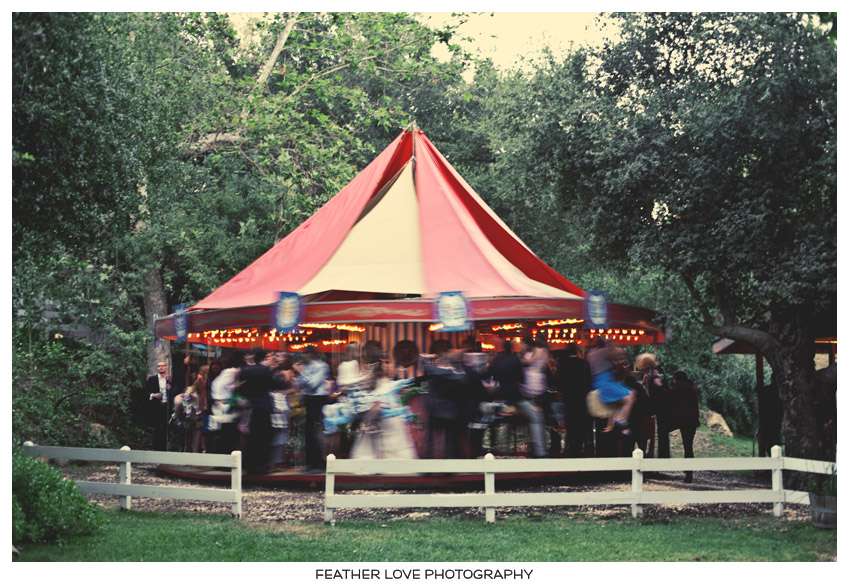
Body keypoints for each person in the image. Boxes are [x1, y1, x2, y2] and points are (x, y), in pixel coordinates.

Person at [239, 349, 287, 474]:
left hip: (252, 406)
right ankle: (261, 466)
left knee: (253, 437)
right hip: (264, 406)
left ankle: (249, 465)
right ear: (265, 358)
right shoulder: (266, 371)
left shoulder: (246, 370)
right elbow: (278, 384)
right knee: (264, 437)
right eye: (270, 356)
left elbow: (241, 387)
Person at [423, 340, 466, 459]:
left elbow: (432, 370)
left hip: (440, 409)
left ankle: (430, 463)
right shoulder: (454, 370)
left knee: (437, 441)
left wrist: (427, 360)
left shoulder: (437, 369)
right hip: (446, 409)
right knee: (447, 441)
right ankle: (446, 463)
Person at [587, 339, 635, 435]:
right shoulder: (603, 352)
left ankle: (617, 423)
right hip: (606, 382)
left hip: (602, 381)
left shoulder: (591, 353)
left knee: (619, 403)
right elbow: (618, 353)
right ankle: (620, 420)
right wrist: (613, 344)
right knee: (630, 396)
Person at [294, 346, 330, 472]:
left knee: (315, 431)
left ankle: (319, 463)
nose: (303, 356)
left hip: (317, 400)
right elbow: (297, 384)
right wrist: (302, 376)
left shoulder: (322, 366)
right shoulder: (307, 367)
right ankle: (310, 463)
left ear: (311, 354)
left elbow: (313, 384)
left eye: (305, 354)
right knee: (308, 433)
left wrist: (301, 372)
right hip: (308, 399)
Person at [555, 344, 593, 457]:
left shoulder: (562, 364)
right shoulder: (584, 363)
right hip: (581, 397)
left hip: (568, 398)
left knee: (570, 423)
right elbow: (589, 381)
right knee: (580, 423)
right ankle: (579, 446)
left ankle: (570, 447)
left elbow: (558, 382)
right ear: (576, 351)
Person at [668, 370, 701, 482]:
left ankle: (689, 473)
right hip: (692, 421)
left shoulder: (679, 389)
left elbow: (671, 398)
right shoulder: (691, 388)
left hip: (685, 421)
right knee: (688, 446)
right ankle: (688, 470)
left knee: (687, 447)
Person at [519, 336, 548, 457]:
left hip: (532, 390)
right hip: (537, 389)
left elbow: (528, 362)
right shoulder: (544, 352)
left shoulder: (537, 352)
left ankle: (539, 451)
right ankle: (538, 449)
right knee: (537, 421)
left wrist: (520, 359)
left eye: (522, 344)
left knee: (535, 421)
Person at [173, 366, 208, 452]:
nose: (202, 379)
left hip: (200, 419)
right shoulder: (191, 391)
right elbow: (183, 404)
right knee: (189, 441)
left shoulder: (206, 389)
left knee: (196, 443)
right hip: (191, 419)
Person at [143, 360, 173, 451]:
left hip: (166, 406)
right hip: (156, 406)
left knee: (165, 427)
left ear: (166, 367)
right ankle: (155, 447)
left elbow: (175, 391)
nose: (161, 368)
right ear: (157, 368)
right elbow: (145, 392)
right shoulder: (152, 379)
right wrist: (154, 395)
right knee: (156, 427)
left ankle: (164, 448)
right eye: (159, 366)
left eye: (163, 366)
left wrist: (170, 389)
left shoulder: (169, 379)